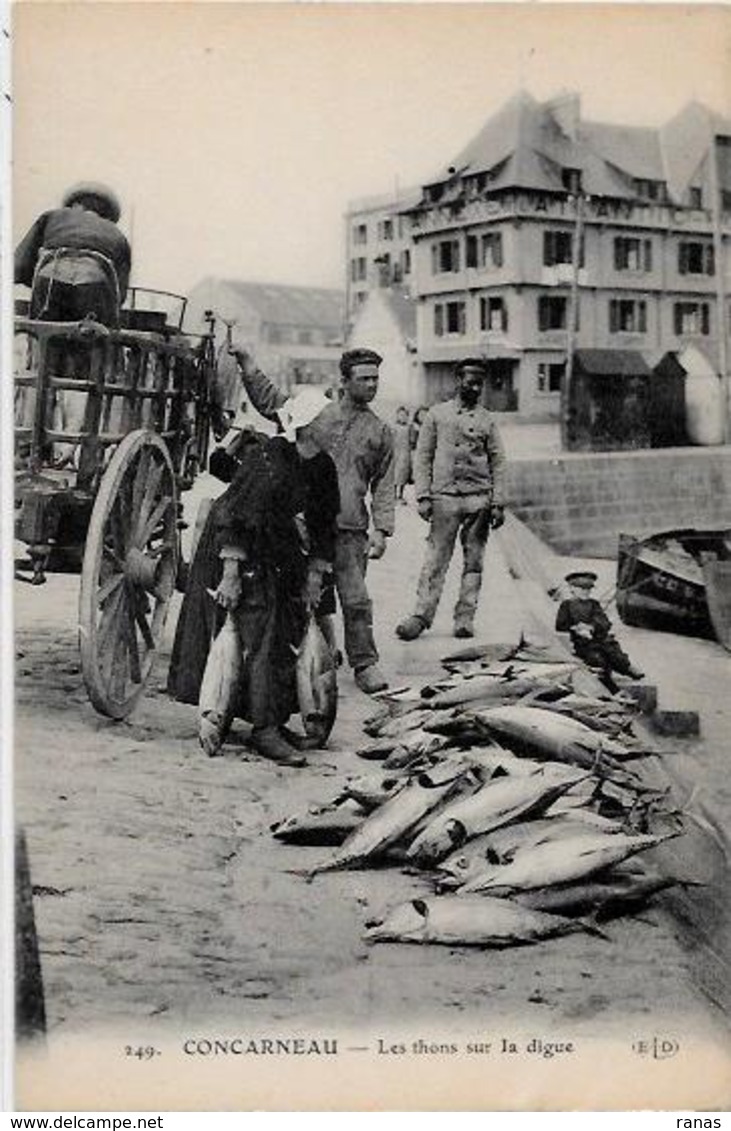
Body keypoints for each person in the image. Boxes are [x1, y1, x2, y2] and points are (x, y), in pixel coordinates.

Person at [168, 388, 340, 767]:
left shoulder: (323, 465)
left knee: (286, 639)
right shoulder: (268, 460)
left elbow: (326, 526)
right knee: (260, 639)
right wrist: (230, 576)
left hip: (285, 557)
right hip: (244, 553)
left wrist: (315, 577)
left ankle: (273, 720)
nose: (337, 426)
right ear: (308, 427)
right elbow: (235, 518)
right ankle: (264, 729)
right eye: (330, 421)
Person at [229, 345, 394, 694]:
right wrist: (248, 366)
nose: (372, 385)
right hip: (307, 525)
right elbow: (272, 401)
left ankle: (365, 664)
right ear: (344, 381)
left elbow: (384, 485)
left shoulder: (380, 431)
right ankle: (320, 655)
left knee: (356, 598)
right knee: (309, 592)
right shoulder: (319, 414)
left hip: (350, 528)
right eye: (364, 379)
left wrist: (382, 529)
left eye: (376, 379)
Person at [396, 358, 506, 642]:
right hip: (444, 499)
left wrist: (498, 502)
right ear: (457, 381)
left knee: (474, 562)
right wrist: (422, 495)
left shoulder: (487, 419)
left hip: (479, 501)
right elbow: (422, 457)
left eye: (479, 383)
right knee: (435, 560)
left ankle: (465, 618)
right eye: (470, 381)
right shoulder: (436, 415)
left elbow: (498, 461)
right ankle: (421, 615)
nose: (475, 388)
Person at [15, 181, 131, 326]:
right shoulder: (118, 234)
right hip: (95, 285)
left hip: (50, 279)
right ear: (107, 213)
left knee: (41, 334)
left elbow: (19, 265)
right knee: (95, 339)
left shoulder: (52, 216)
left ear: (75, 204)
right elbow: (120, 292)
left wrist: (32, 281)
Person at [555, 571, 644, 693]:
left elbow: (604, 622)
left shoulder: (594, 604)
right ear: (572, 588)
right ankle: (611, 688)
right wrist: (575, 628)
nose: (586, 592)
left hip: (599, 639)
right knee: (598, 661)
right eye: (581, 589)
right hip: (582, 644)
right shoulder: (567, 605)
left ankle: (627, 668)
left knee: (615, 654)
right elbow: (561, 625)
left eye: (588, 589)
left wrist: (591, 627)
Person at [392, 405, 412, 504]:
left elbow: (411, 441)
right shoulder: (394, 427)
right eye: (400, 415)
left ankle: (401, 495)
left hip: (405, 454)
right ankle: (393, 495)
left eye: (404, 415)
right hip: (396, 453)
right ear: (397, 416)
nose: (402, 417)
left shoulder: (409, 428)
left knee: (403, 475)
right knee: (395, 475)